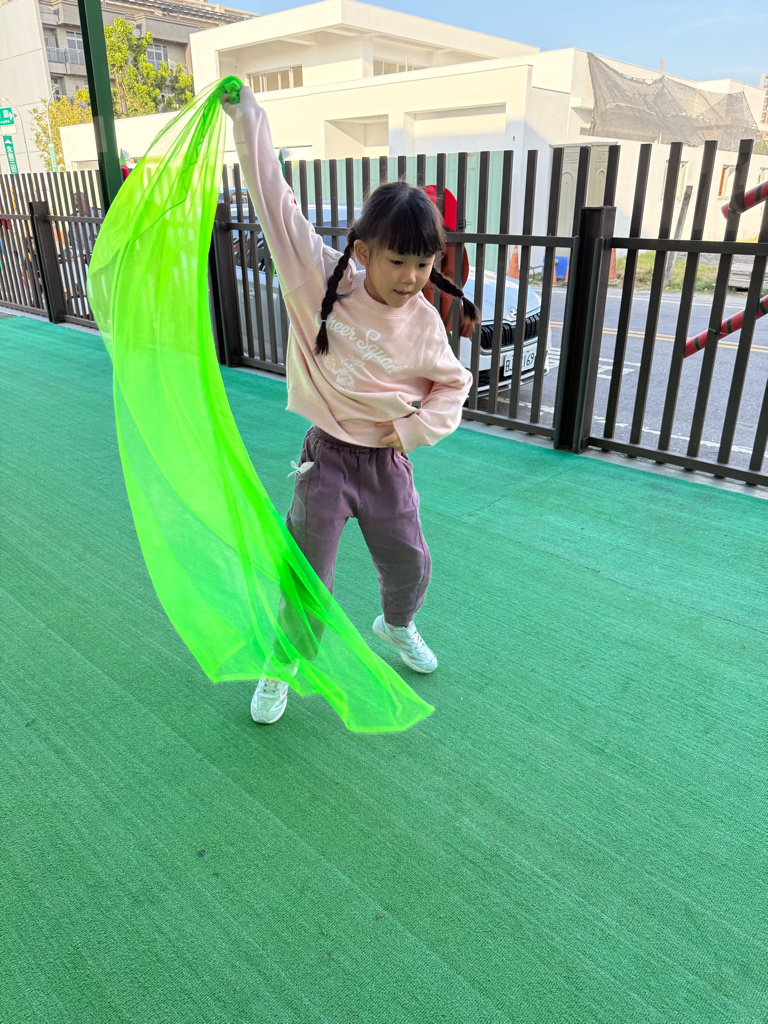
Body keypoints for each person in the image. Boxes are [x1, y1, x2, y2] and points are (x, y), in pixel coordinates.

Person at [221, 86, 480, 725]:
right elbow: (275, 201)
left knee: (409, 561)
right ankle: (283, 663)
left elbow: (453, 384)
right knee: (308, 576)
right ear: (364, 253)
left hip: (387, 463)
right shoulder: (319, 279)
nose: (412, 277)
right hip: (328, 460)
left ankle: (397, 625)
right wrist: (246, 115)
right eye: (398, 261)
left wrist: (414, 431)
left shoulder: (423, 321)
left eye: (424, 263)